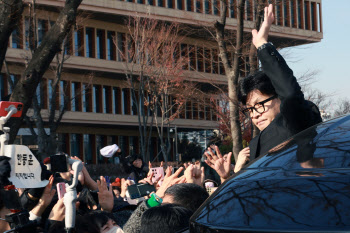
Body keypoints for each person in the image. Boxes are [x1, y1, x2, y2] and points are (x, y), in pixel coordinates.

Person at [205, 4, 322, 179]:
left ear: (278, 98)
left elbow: (290, 94)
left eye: (259, 105)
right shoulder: (255, 145)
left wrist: (262, 45)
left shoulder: (295, 122)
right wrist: (228, 176)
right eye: (250, 109)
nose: (255, 115)